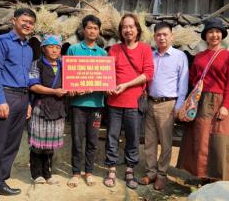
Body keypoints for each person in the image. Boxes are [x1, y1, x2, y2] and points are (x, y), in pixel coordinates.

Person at [177, 17, 229, 182]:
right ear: (205, 35)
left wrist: (226, 106)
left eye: (218, 32)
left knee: (220, 139)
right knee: (201, 139)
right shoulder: (199, 56)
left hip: (221, 101)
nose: (214, 35)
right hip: (201, 101)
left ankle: (218, 179)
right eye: (211, 32)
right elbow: (192, 80)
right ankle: (203, 177)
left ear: (222, 35)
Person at [0, 8, 36, 201]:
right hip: (6, 95)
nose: (27, 24)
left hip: (22, 98)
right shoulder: (2, 42)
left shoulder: (29, 48)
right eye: (24, 20)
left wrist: (29, 102)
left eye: (31, 22)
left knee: (12, 144)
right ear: (14, 20)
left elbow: (28, 78)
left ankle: (0, 181)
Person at [104, 14, 154, 189]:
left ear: (137, 29)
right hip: (114, 102)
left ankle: (130, 170)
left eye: (131, 26)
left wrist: (125, 85)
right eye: (124, 27)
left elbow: (148, 74)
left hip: (134, 103)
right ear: (121, 30)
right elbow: (107, 74)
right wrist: (108, 86)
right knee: (112, 136)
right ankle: (111, 168)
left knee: (132, 137)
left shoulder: (145, 49)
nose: (128, 30)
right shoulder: (114, 50)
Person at [139, 22, 188, 190]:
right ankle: (151, 172)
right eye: (158, 35)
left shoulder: (180, 56)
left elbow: (183, 83)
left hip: (168, 104)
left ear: (171, 36)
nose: (162, 37)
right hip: (150, 102)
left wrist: (179, 105)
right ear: (154, 37)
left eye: (165, 34)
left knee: (166, 143)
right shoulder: (150, 55)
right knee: (150, 141)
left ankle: (162, 174)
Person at [66, 15, 107, 188]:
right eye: (89, 28)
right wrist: (72, 89)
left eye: (95, 28)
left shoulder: (103, 53)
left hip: (96, 104)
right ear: (83, 30)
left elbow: (106, 79)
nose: (92, 31)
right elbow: (68, 78)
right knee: (77, 139)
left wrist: (107, 86)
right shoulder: (74, 50)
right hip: (78, 105)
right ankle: (76, 172)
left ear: (99, 32)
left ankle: (89, 172)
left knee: (92, 140)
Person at [27, 35, 66, 184]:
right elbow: (33, 85)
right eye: (51, 46)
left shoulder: (64, 65)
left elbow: (71, 83)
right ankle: (36, 174)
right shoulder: (37, 64)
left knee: (50, 144)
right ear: (43, 49)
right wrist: (55, 91)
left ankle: (48, 173)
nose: (54, 50)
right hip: (41, 107)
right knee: (38, 144)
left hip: (58, 108)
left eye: (57, 47)